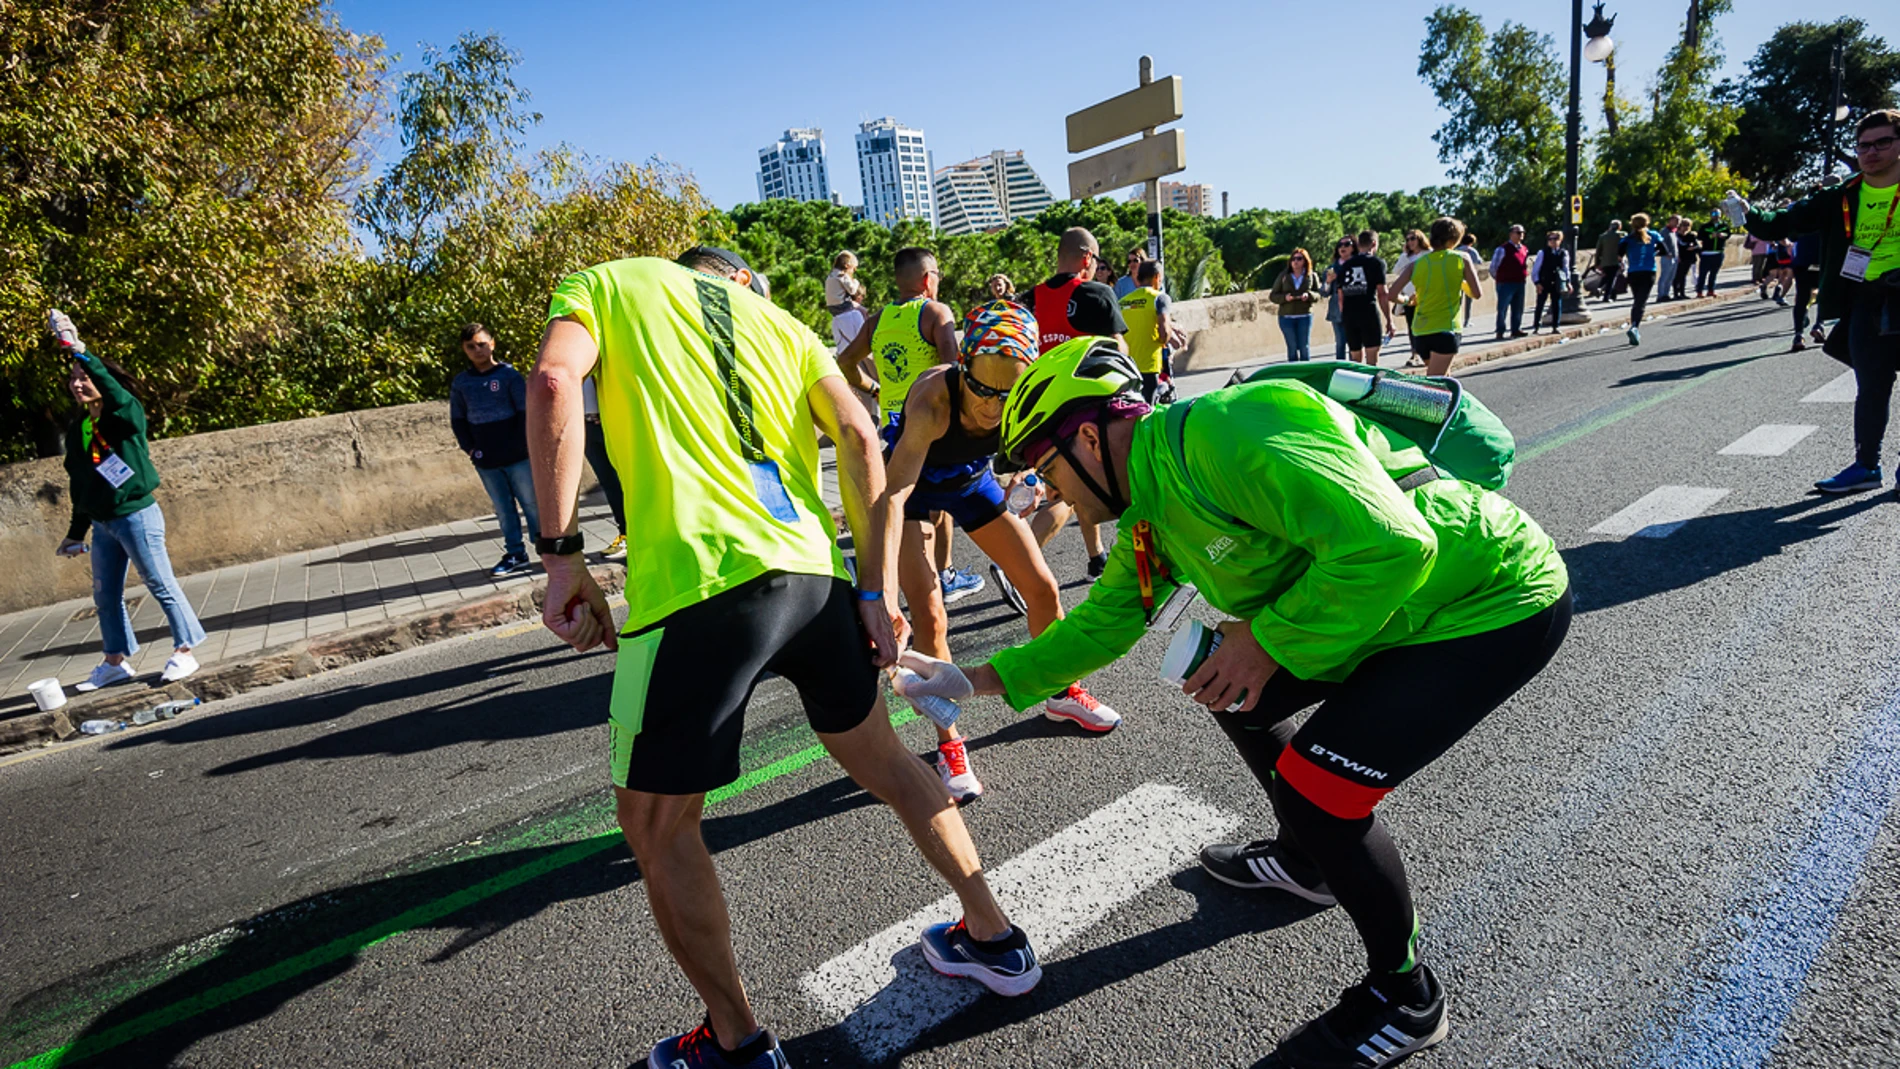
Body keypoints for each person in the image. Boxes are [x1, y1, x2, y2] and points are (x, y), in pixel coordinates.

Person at [896, 338, 1571, 1069]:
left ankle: (1406, 996)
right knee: (1230, 687)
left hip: (1491, 600)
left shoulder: (1228, 429)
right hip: (1394, 606)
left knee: (1319, 788)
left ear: (1087, 434)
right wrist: (972, 679)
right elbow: (1105, 620)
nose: (1050, 490)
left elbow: (1392, 543)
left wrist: (1268, 640)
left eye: (1047, 467)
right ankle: (1307, 862)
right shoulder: (1150, 513)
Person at [525, 248, 1043, 1069]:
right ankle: (994, 932)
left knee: (657, 825)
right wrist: (873, 591)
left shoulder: (613, 280)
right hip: (811, 575)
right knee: (887, 760)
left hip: (694, 588)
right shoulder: (784, 324)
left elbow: (554, 383)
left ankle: (735, 1042)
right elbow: (862, 438)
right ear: (740, 280)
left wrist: (560, 556)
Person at [883, 300, 1120, 801]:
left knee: (1042, 587)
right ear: (962, 363)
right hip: (911, 492)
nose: (993, 406)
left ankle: (1061, 692)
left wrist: (1031, 478)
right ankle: (949, 745)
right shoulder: (932, 398)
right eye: (983, 389)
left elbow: (1045, 452)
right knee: (931, 616)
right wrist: (881, 591)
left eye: (1007, 393)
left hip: (971, 484)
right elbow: (894, 493)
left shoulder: (1027, 393)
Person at [1734, 109, 1900, 496]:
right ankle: (1866, 466)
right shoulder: (1841, 195)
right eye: (1863, 145)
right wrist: (1749, 214)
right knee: (1871, 385)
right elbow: (1783, 222)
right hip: (1867, 299)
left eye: (1882, 143)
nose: (1871, 152)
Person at [48, 311, 207, 691]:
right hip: (103, 523)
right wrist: (75, 533)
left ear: (102, 379)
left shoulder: (125, 414)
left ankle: (185, 650)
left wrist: (80, 351)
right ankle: (115, 661)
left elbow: (116, 395)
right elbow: (81, 485)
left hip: (136, 515)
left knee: (159, 582)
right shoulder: (80, 429)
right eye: (72, 378)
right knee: (105, 596)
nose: (77, 384)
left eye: (83, 377)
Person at [836, 247, 985, 604]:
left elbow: (845, 361)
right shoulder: (935, 312)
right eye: (938, 276)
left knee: (909, 504)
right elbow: (953, 368)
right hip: (932, 420)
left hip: (893, 427)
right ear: (926, 279)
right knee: (944, 499)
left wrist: (876, 388)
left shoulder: (877, 319)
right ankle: (944, 575)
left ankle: (904, 578)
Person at [1021, 226, 1124, 580]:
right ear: (1086, 258)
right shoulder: (1097, 293)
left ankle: (1096, 557)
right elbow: (1117, 350)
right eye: (1095, 260)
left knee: (1070, 487)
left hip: (1040, 410)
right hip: (1085, 412)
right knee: (1067, 495)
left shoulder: (1028, 299)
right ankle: (1019, 562)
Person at [451, 323, 541, 578]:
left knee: (532, 504)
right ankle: (515, 553)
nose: (477, 350)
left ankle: (545, 549)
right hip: (486, 460)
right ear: (464, 349)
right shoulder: (462, 382)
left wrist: (524, 444)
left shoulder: (509, 376)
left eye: (482, 344)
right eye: (471, 346)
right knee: (503, 509)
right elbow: (458, 419)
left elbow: (526, 413)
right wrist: (470, 449)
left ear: (492, 344)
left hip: (518, 457)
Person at [1384, 217, 1483, 377]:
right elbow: (1477, 293)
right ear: (1454, 239)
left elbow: (1392, 295)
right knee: (1435, 384)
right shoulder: (1462, 259)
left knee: (1445, 379)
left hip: (1421, 331)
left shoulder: (1416, 264)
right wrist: (1462, 283)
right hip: (1446, 328)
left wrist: (1408, 301)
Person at [579, 375, 628, 561]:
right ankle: (625, 534)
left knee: (630, 480)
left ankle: (647, 534)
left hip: (612, 420)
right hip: (587, 425)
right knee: (610, 484)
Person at [1120, 259, 1176, 400]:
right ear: (1157, 277)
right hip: (1149, 365)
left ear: (1138, 279)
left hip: (1125, 365)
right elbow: (1164, 333)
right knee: (1148, 408)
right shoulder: (1160, 298)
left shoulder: (1122, 302)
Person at [1336, 230, 1390, 366]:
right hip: (1368, 312)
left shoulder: (1345, 265)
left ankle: (1356, 385)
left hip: (1349, 314)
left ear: (1358, 245)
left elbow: (1340, 296)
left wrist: (1344, 316)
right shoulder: (1376, 263)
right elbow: (1382, 293)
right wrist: (1389, 319)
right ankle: (1372, 386)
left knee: (1355, 359)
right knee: (1372, 358)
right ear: (1374, 244)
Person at [1270, 248, 1323, 362]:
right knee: (1292, 347)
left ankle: (1306, 372)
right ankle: (1294, 373)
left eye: (1299, 259)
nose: (1295, 261)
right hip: (1286, 316)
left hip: (1304, 315)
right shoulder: (1284, 276)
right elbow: (1273, 295)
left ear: (1305, 261)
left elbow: (1318, 294)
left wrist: (1308, 295)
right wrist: (1285, 298)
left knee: (1304, 347)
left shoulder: (1311, 276)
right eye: (1293, 259)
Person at [1619, 213, 1665, 346]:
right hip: (1649, 270)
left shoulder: (1627, 238)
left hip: (1634, 272)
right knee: (1641, 301)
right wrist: (1652, 252)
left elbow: (1619, 254)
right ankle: (1634, 327)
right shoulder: (1654, 235)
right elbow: (1664, 250)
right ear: (1647, 223)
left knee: (1637, 300)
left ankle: (1634, 326)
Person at [1488, 224, 1531, 339]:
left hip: (1520, 282)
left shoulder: (1524, 249)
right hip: (1505, 283)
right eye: (1518, 233)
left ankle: (1515, 329)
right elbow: (1493, 267)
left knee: (1518, 307)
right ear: (1511, 234)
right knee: (1503, 308)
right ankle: (1500, 330)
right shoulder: (1502, 249)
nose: (1521, 235)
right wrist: (1500, 278)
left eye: (1522, 233)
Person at [1530, 230, 1573, 335]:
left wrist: (1568, 282)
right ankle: (1536, 326)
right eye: (1550, 239)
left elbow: (1566, 268)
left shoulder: (1563, 253)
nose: (1553, 242)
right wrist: (1537, 282)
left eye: (1555, 239)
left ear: (1560, 240)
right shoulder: (1542, 253)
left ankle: (1555, 326)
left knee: (1556, 304)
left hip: (1557, 281)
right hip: (1544, 281)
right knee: (1540, 304)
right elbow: (1536, 269)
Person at [1390, 230, 1427, 350]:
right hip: (1409, 296)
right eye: (1408, 240)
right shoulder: (1406, 257)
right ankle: (1414, 353)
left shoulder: (1428, 253)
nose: (1410, 242)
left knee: (1425, 325)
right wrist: (1404, 256)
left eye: (1413, 239)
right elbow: (1396, 271)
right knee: (1412, 326)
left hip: (1425, 294)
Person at [1790, 231, 1825, 352]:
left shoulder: (1799, 212)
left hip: (1803, 259)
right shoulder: (1828, 211)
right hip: (1821, 258)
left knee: (1801, 298)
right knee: (1823, 293)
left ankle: (1799, 336)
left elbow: (1792, 236)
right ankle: (1819, 325)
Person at [824, 251, 867, 350]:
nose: (854, 271)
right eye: (854, 268)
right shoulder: (842, 276)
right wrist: (856, 282)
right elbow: (852, 290)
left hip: (832, 308)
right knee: (862, 311)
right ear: (847, 266)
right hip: (842, 306)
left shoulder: (830, 276)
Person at [1323, 236, 1356, 360]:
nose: (1343, 247)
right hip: (1337, 311)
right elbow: (1324, 292)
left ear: (1353, 247)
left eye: (1347, 244)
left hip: (1355, 308)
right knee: (1340, 343)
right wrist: (1328, 282)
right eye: (1340, 245)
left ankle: (1356, 369)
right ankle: (1341, 371)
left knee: (1355, 343)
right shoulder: (1331, 269)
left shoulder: (1358, 264)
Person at [1697, 209, 1732, 297]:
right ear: (1710, 215)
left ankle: (1711, 290)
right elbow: (1700, 236)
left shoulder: (1724, 225)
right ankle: (1699, 291)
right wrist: (1710, 236)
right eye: (1713, 213)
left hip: (1718, 252)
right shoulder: (1705, 226)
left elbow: (1728, 234)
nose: (1715, 215)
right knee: (1703, 274)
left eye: (1717, 214)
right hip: (1706, 253)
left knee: (1713, 274)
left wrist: (1723, 235)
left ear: (1720, 215)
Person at [1455, 232, 1483, 329]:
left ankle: (1456, 319)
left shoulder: (1456, 250)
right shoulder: (1472, 251)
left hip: (1457, 278)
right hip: (1468, 279)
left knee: (1458, 301)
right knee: (1468, 301)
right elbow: (1479, 262)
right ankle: (1467, 321)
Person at [1593, 220, 1626, 303]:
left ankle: (1600, 288)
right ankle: (1606, 297)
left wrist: (1597, 263)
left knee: (1607, 276)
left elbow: (1598, 251)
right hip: (1616, 260)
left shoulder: (1603, 236)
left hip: (1605, 261)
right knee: (1612, 279)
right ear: (1619, 227)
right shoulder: (1622, 235)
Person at [1655, 215, 1682, 303]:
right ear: (1670, 221)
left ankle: (1666, 294)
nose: (1677, 223)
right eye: (1675, 221)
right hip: (1667, 257)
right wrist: (1665, 253)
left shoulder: (1674, 232)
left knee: (1671, 277)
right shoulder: (1665, 231)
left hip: (1675, 256)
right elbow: (1660, 243)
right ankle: (1660, 295)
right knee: (1665, 276)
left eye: (1678, 221)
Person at [1673, 223, 1701, 299]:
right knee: (1677, 276)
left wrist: (1693, 248)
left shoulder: (1691, 236)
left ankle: (1682, 293)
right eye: (1684, 225)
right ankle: (1676, 293)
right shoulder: (1676, 236)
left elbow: (1697, 246)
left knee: (1683, 276)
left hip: (1688, 258)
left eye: (1688, 226)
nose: (1686, 227)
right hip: (1679, 258)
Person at [1746, 231, 1773, 299]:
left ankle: (1760, 277)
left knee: (1762, 265)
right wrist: (1762, 237)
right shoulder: (1754, 231)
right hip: (1757, 250)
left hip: (1764, 250)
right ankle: (1755, 278)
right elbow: (1752, 239)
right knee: (1757, 265)